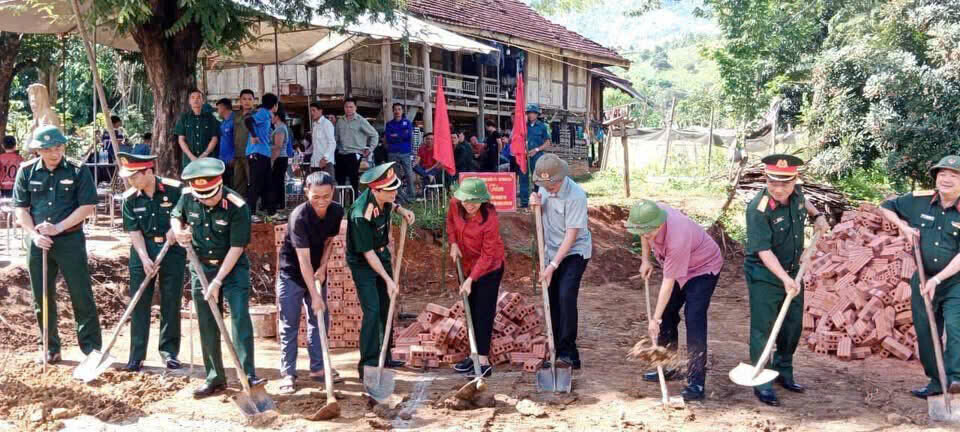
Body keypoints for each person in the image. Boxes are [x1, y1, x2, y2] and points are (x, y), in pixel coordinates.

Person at [171, 157, 264, 398]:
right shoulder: (189, 196)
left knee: (240, 318)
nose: (205, 199)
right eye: (201, 195)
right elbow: (176, 215)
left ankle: (248, 375)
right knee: (207, 321)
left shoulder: (237, 205)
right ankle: (214, 377)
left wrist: (218, 281)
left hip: (231, 269)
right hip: (200, 267)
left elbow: (237, 247)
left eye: (210, 195)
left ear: (220, 185)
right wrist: (178, 231)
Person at [743, 154, 829, 407]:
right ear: (766, 179)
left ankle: (784, 371)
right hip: (765, 274)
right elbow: (763, 250)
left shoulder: (797, 192)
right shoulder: (758, 209)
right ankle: (761, 379)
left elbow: (805, 202)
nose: (779, 189)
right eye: (773, 183)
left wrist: (817, 216)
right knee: (764, 328)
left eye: (785, 184)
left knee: (792, 325)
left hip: (793, 270)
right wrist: (783, 279)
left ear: (795, 181)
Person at [13, 125, 101, 364]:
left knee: (81, 294)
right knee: (42, 296)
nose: (55, 153)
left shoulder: (77, 170)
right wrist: (33, 234)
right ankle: (50, 347)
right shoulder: (27, 171)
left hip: (70, 240)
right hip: (39, 243)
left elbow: (87, 205)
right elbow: (21, 209)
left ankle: (92, 349)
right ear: (38, 150)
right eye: (49, 149)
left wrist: (59, 227)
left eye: (59, 147)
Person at [879, 155, 960, 400]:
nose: (946, 179)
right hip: (923, 278)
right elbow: (884, 206)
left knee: (957, 329)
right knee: (926, 331)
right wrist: (903, 227)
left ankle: (956, 379)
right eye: (941, 174)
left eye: (954, 175)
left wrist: (938, 280)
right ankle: (937, 381)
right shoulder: (918, 201)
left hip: (955, 281)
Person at [629, 199, 722, 402]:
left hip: (702, 268)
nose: (646, 235)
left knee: (694, 317)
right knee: (669, 314)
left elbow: (668, 282)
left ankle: (696, 381)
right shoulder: (648, 216)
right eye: (642, 231)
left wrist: (655, 319)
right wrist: (645, 260)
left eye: (650, 232)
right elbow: (644, 234)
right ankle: (669, 366)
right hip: (680, 266)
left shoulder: (677, 236)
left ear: (659, 223)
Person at [117, 152, 186, 372]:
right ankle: (136, 355)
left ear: (148, 171)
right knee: (139, 301)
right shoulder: (129, 198)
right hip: (143, 249)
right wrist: (144, 257)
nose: (130, 180)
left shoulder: (176, 190)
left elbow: (188, 215)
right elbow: (134, 231)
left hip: (171, 249)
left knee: (171, 299)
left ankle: (169, 352)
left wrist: (177, 230)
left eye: (134, 176)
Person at [276, 171, 344, 394]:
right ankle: (288, 373)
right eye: (316, 197)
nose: (321, 202)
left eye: (326, 196)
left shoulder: (336, 211)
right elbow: (303, 260)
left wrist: (323, 267)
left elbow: (329, 242)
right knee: (290, 324)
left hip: (315, 272)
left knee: (319, 320)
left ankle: (318, 369)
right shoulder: (299, 217)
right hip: (292, 275)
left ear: (332, 192)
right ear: (306, 192)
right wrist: (314, 296)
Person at [346, 161, 415, 379]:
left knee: (386, 307)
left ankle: (384, 356)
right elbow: (367, 254)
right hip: (363, 263)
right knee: (372, 310)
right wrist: (388, 279)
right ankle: (368, 365)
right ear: (375, 190)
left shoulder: (384, 199)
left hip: (381, 254)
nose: (396, 192)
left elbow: (389, 204)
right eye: (391, 189)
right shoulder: (360, 214)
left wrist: (401, 209)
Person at [529, 153, 590, 369]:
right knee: (552, 298)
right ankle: (554, 349)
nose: (548, 188)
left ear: (561, 177)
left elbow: (571, 236)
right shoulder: (544, 187)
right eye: (544, 184)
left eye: (552, 184)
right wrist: (534, 205)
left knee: (565, 296)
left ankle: (568, 353)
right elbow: (540, 212)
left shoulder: (576, 196)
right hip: (551, 250)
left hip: (574, 252)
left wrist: (553, 266)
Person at [447, 178, 505, 378]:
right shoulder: (455, 204)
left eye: (474, 202)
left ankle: (482, 359)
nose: (469, 205)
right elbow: (450, 223)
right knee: (470, 308)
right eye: (466, 201)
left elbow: (488, 255)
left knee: (483, 312)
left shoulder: (490, 219)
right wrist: (453, 242)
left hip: (489, 268)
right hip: (465, 264)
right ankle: (472, 355)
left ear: (483, 200)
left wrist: (471, 280)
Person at [244, 92, 279, 221]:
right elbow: (248, 120)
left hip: (264, 153)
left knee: (268, 183)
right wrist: (253, 136)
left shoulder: (267, 115)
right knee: (255, 184)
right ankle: (250, 213)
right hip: (257, 152)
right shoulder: (264, 113)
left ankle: (272, 212)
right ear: (275, 106)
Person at [335, 98, 378, 194]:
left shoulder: (361, 120)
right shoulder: (340, 121)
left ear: (355, 108)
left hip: (355, 153)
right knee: (340, 178)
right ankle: (342, 202)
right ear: (344, 108)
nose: (348, 109)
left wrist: (370, 149)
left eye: (351, 107)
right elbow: (336, 138)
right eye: (346, 107)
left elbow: (374, 134)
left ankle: (353, 202)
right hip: (341, 153)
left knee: (353, 179)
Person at [173, 88, 220, 172]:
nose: (196, 100)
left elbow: (214, 139)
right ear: (189, 101)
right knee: (191, 183)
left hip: (207, 161)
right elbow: (181, 140)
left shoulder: (210, 118)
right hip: (189, 161)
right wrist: (191, 156)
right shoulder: (184, 118)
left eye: (198, 97)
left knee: (207, 183)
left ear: (203, 100)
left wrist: (204, 155)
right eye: (193, 97)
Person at [519, 104, 551, 208]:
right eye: (529, 113)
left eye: (533, 113)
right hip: (524, 156)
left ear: (537, 114)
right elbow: (517, 139)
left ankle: (538, 201)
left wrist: (537, 149)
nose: (531, 115)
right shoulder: (523, 126)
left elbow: (547, 143)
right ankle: (524, 203)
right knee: (523, 178)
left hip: (537, 156)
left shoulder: (543, 126)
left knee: (538, 179)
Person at [385, 103, 415, 203]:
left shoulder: (408, 123)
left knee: (409, 174)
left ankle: (411, 196)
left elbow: (408, 136)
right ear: (393, 111)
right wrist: (401, 135)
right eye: (395, 109)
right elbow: (389, 138)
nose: (397, 111)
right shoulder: (389, 124)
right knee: (395, 177)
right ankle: (399, 198)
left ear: (402, 111)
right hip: (393, 152)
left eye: (399, 109)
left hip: (405, 152)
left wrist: (396, 135)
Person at [268, 108, 293, 216]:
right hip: (280, 158)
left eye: (272, 116)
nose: (270, 119)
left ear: (277, 117)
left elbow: (278, 146)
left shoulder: (280, 129)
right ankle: (280, 204)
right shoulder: (279, 128)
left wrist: (272, 159)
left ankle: (280, 205)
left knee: (277, 182)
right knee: (277, 181)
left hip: (280, 158)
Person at [233, 89, 256, 196]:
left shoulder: (257, 115)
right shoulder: (236, 116)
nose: (247, 101)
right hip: (238, 153)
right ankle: (239, 207)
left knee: (252, 181)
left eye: (250, 99)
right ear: (240, 101)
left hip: (252, 154)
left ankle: (255, 208)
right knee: (238, 182)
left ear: (253, 101)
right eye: (244, 99)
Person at [309, 102, 336, 180]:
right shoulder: (314, 125)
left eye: (314, 110)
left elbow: (332, 143)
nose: (312, 113)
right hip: (315, 163)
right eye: (311, 111)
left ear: (320, 111)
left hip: (326, 163)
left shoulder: (327, 124)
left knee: (328, 188)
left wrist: (325, 158)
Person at [215, 98, 237, 189]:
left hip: (232, 160)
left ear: (223, 107)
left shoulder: (235, 120)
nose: (218, 111)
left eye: (218, 109)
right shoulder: (223, 122)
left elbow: (239, 140)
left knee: (234, 186)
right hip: (223, 160)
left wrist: (234, 156)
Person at [414, 133, 441, 197]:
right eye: (428, 139)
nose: (429, 140)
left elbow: (437, 163)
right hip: (423, 169)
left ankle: (425, 195)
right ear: (425, 140)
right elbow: (417, 160)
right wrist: (414, 165)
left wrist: (428, 170)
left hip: (434, 168)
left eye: (431, 139)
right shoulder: (421, 148)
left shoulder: (437, 148)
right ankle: (428, 176)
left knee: (431, 173)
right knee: (414, 167)